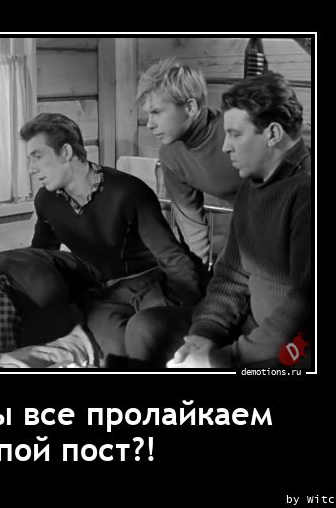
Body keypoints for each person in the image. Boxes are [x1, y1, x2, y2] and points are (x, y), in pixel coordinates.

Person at [127, 71, 312, 369]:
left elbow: (303, 311)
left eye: (235, 134)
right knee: (146, 328)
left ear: (273, 134)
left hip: (294, 347)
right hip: (252, 324)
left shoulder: (306, 194)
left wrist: (221, 358)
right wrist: (205, 332)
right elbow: (232, 274)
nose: (226, 146)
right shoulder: (251, 186)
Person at [20, 113, 203, 362]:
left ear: (65, 152)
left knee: (150, 341)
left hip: (150, 282)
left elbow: (171, 256)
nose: (31, 169)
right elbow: (40, 256)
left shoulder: (127, 191)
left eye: (37, 156)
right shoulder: (46, 200)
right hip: (102, 296)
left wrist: (198, 313)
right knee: (115, 356)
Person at [138, 58, 243, 268]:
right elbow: (191, 223)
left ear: (190, 107)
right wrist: (198, 274)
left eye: (156, 112)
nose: (149, 124)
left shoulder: (233, 133)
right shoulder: (171, 156)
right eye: (147, 114)